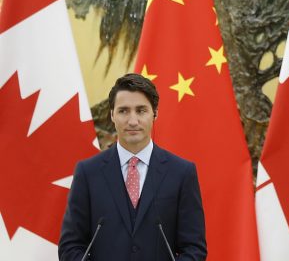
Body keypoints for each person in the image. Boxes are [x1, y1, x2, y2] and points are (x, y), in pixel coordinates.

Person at [59, 73, 207, 260]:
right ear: (112, 115)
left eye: (141, 110)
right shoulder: (88, 173)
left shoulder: (182, 173)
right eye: (123, 111)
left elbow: (194, 249)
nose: (133, 121)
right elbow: (70, 246)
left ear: (155, 113)